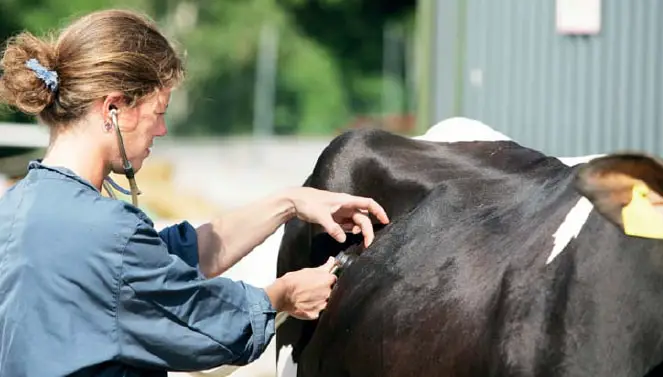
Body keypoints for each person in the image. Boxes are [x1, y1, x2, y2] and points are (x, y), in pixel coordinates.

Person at [0, 9, 389, 377]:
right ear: (114, 108)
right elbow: (208, 324)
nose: (162, 131)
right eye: (159, 112)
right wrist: (282, 296)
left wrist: (290, 202)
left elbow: (167, 261)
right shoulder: (109, 235)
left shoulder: (16, 209)